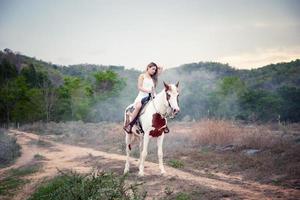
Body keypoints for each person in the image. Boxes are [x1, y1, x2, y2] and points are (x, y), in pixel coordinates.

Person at [123, 62, 163, 133]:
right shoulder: (142, 76)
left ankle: (163, 125)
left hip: (152, 96)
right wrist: (148, 91)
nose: (154, 71)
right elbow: (139, 87)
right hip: (142, 96)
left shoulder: (153, 78)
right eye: (153, 69)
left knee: (161, 106)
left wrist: (152, 93)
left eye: (155, 70)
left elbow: (160, 70)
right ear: (148, 67)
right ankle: (130, 125)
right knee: (138, 106)